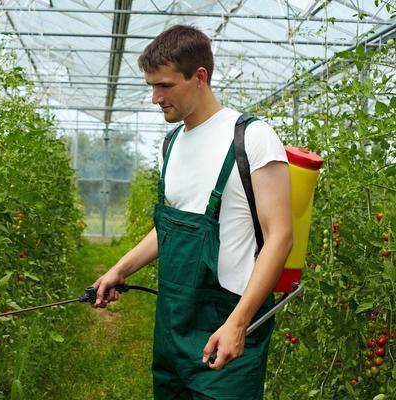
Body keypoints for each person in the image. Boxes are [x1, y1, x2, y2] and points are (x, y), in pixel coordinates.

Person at [91, 25, 293, 399]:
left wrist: (238, 323)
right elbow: (170, 228)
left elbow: (280, 236)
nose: (155, 98)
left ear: (199, 76)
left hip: (228, 322)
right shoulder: (172, 145)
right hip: (173, 323)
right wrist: (119, 269)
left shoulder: (250, 138)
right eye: (151, 86)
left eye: (164, 86)